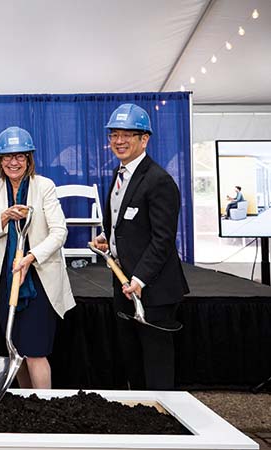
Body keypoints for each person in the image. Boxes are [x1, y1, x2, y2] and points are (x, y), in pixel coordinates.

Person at [91, 103, 189, 390]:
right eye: (113, 135)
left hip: (153, 290)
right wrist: (108, 239)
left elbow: (163, 239)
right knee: (132, 361)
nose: (118, 141)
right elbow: (129, 226)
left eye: (127, 135)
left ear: (144, 139)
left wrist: (140, 278)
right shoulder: (119, 175)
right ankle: (142, 421)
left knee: (156, 368)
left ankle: (163, 428)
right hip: (124, 287)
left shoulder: (159, 181)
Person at [0, 126, 75, 389]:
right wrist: (4, 217)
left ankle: (43, 408)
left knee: (35, 352)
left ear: (29, 159)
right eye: (7, 157)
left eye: (20, 156)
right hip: (7, 280)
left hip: (38, 281)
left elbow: (59, 233)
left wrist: (30, 257)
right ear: (0, 161)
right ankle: (26, 404)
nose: (14, 162)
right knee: (16, 353)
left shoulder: (44, 187)